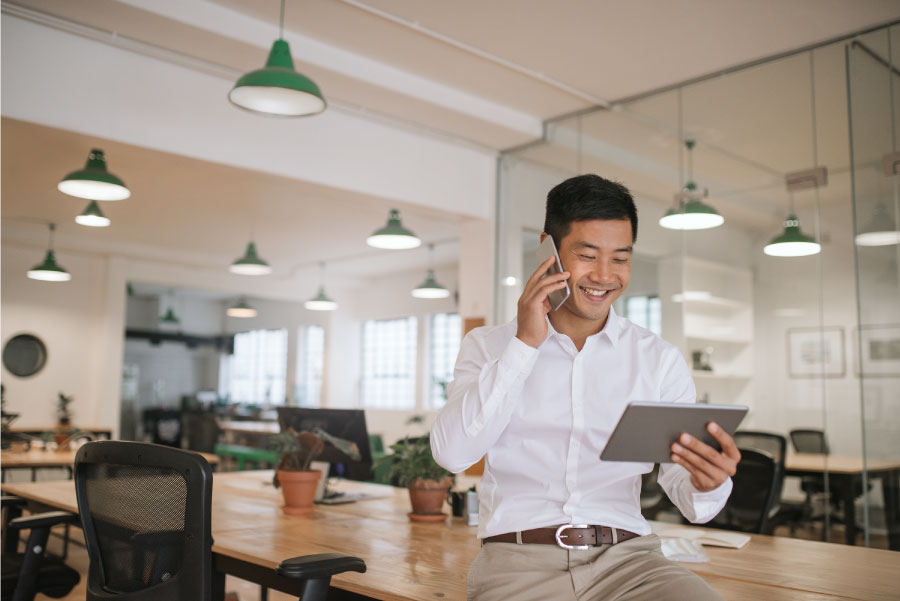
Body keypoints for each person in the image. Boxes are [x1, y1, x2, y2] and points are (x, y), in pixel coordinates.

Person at [431, 174, 740, 601]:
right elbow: (452, 454)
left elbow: (691, 502)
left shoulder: (657, 358)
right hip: (519, 564)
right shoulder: (489, 347)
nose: (604, 275)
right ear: (549, 250)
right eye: (588, 255)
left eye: (620, 258)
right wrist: (525, 344)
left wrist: (709, 484)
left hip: (631, 563)